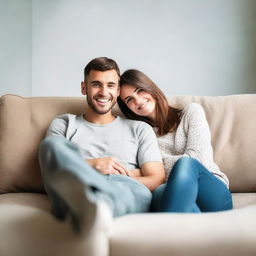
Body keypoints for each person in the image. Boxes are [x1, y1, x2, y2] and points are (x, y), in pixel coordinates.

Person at [39, 58, 165, 236]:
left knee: (123, 195)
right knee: (52, 145)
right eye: (96, 85)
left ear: (118, 89)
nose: (104, 92)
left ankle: (93, 208)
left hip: (126, 188)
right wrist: (93, 165)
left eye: (111, 85)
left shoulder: (139, 128)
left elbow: (157, 178)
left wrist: (111, 179)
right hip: (80, 184)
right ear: (84, 88)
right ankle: (87, 205)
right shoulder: (64, 123)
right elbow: (51, 168)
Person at [117, 69, 233, 213]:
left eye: (140, 90)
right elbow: (144, 176)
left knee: (186, 164)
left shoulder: (191, 112)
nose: (138, 101)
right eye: (129, 99)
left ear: (150, 87)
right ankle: (189, 223)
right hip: (173, 192)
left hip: (210, 191)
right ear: (127, 108)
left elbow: (198, 159)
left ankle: (174, 226)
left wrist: (154, 170)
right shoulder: (141, 134)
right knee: (159, 193)